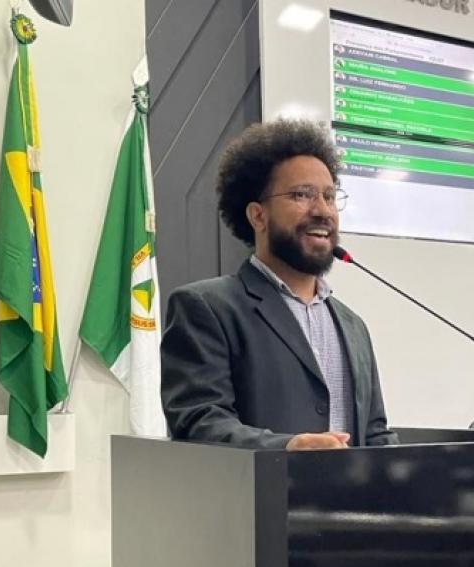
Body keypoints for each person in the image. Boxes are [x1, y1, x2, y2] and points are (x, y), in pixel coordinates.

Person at [160, 119, 398, 451]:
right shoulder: (206, 308)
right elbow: (200, 422)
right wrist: (288, 447)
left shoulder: (353, 325)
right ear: (258, 216)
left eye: (330, 196)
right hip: (260, 487)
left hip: (348, 489)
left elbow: (374, 434)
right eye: (302, 195)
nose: (323, 210)